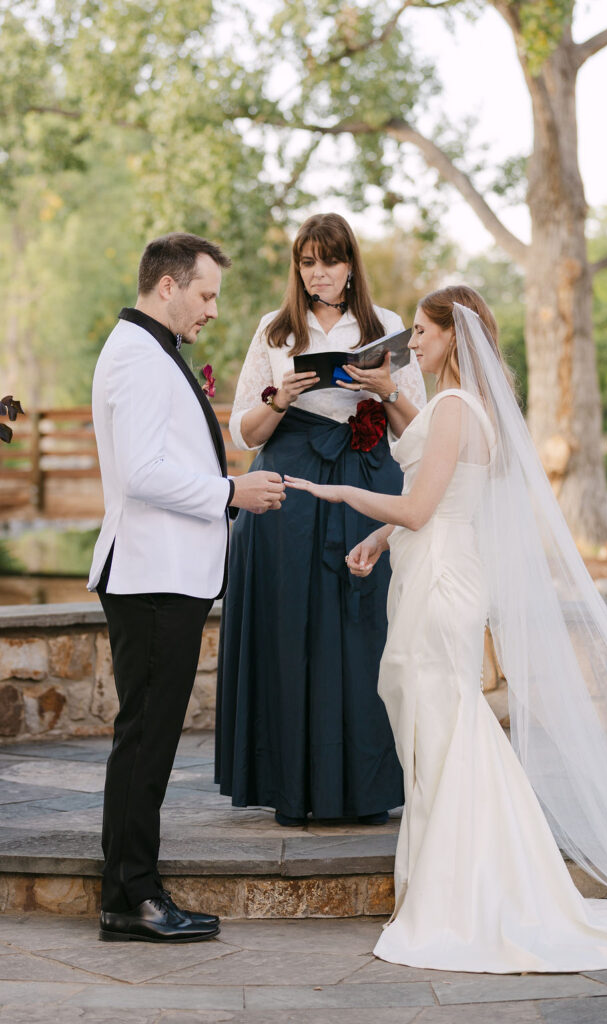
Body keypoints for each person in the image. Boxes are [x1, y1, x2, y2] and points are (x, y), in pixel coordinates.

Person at [285, 284, 607, 972]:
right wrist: (379, 538)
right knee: (440, 728)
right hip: (442, 569)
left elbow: (421, 506)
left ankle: (465, 894)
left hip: (440, 583)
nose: (412, 342)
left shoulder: (454, 409)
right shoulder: (470, 410)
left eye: (421, 331)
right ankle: (470, 879)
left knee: (443, 730)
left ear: (451, 338)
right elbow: (439, 497)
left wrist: (343, 493)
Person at [88, 232, 286, 943]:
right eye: (205, 295)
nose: (211, 311)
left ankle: (129, 891)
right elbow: (142, 473)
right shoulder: (140, 358)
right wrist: (231, 491)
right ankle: (131, 896)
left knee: (148, 737)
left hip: (159, 574)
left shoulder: (147, 351)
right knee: (145, 740)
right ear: (167, 286)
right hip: (151, 577)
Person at [214, 213, 426, 826]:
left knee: (367, 629)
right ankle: (293, 787)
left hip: (365, 479)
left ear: (350, 264)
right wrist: (280, 398)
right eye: (307, 263)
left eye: (329, 262)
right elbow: (245, 432)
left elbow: (418, 433)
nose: (318, 274)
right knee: (292, 627)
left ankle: (367, 787)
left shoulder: (384, 326)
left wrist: (385, 387)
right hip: (289, 488)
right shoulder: (274, 330)